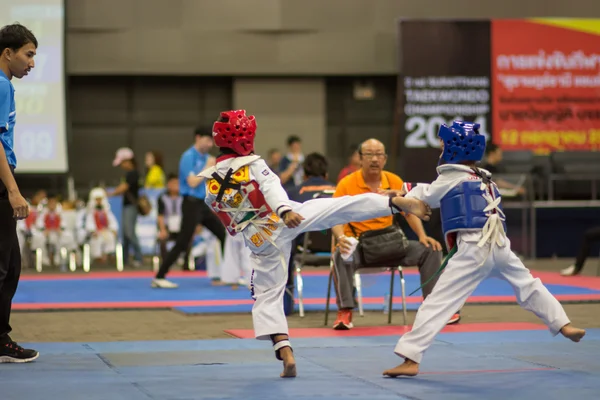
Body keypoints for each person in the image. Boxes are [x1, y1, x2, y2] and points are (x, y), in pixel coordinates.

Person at [199, 109, 430, 378]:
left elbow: (228, 222)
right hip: (282, 218)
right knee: (338, 208)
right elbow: (272, 186)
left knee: (266, 295)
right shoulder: (253, 164)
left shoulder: (210, 183)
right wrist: (285, 211)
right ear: (245, 138)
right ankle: (393, 202)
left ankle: (284, 350)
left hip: (259, 240)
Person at [383, 121, 586, 378]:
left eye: (443, 144)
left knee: (436, 303)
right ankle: (563, 324)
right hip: (500, 246)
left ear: (453, 148)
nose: (441, 148)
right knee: (529, 286)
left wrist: (398, 196)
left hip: (473, 249)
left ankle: (410, 358)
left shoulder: (451, 176)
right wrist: (404, 190)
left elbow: (429, 196)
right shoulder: (483, 176)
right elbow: (430, 190)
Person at [331, 139, 450, 330]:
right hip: (361, 247)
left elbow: (409, 211)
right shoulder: (346, 184)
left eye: (379, 154)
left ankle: (434, 307)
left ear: (385, 159)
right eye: (369, 154)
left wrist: (422, 236)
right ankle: (345, 311)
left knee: (431, 249)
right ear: (360, 159)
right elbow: (334, 217)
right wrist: (341, 237)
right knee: (341, 253)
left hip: (392, 244)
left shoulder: (393, 181)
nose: (374, 159)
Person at [0, 23, 39, 363]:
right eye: (28, 54)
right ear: (7, 53)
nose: (32, 63)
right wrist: (12, 190)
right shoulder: (0, 85)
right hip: (1, 180)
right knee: (4, 265)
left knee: (10, 264)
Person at [153, 127, 227, 289]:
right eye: (207, 140)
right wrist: (207, 167)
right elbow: (192, 182)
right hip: (190, 203)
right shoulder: (188, 156)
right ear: (198, 138)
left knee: (223, 235)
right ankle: (160, 276)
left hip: (203, 204)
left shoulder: (208, 158)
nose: (210, 144)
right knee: (182, 242)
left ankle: (228, 275)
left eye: (211, 141)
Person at [109, 147, 143, 268]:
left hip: (131, 207)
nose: (122, 166)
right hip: (127, 206)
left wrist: (110, 193)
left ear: (128, 161)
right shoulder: (129, 173)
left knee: (129, 232)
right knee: (125, 234)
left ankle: (139, 258)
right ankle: (125, 260)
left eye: (122, 163)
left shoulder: (133, 173)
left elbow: (124, 187)